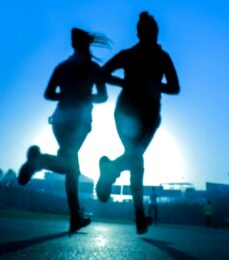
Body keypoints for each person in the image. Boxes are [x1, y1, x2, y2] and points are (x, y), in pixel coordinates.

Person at [18, 28, 110, 233]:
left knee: (72, 168)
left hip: (59, 122)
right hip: (79, 124)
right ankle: (40, 161)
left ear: (73, 45)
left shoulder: (62, 67)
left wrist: (66, 96)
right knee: (71, 168)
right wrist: (86, 98)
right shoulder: (94, 69)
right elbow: (103, 97)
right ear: (87, 44)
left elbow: (49, 93)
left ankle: (75, 215)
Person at [96, 11, 180, 234]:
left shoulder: (134, 55)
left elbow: (102, 74)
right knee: (136, 160)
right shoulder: (159, 57)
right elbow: (174, 87)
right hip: (139, 114)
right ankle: (139, 217)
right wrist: (146, 85)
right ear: (152, 33)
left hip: (137, 115)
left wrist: (129, 83)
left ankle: (111, 171)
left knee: (135, 160)